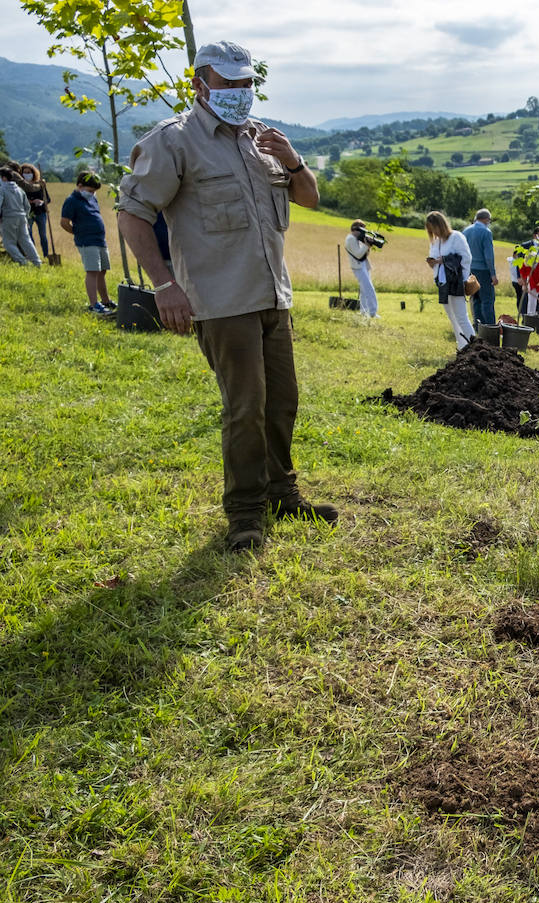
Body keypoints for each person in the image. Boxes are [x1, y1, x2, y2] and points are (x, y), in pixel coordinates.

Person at [116, 39, 338, 552]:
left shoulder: (262, 138)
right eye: (227, 83)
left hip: (271, 298)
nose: (239, 92)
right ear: (200, 84)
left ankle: (283, 493)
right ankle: (244, 513)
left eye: (246, 84)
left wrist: (295, 160)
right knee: (246, 407)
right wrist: (166, 285)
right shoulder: (174, 142)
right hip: (221, 302)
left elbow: (307, 198)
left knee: (283, 402)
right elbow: (133, 214)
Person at [59, 172, 113, 313]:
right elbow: (64, 222)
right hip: (87, 241)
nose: (92, 194)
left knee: (102, 271)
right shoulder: (72, 201)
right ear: (80, 186)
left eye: (94, 192)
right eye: (90, 191)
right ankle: (93, 304)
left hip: (99, 240)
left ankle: (106, 301)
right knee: (92, 271)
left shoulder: (92, 199)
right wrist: (78, 232)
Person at [425, 210, 475, 350]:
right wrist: (433, 263)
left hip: (456, 282)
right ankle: (462, 346)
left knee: (461, 317)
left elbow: (466, 258)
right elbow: (436, 260)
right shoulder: (436, 242)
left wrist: (445, 261)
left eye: (434, 228)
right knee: (452, 318)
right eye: (430, 230)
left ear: (440, 225)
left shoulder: (456, 237)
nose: (433, 232)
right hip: (443, 283)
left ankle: (475, 347)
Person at [462, 207, 498, 326]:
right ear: (487, 219)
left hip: (469, 269)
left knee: (475, 299)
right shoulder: (486, 232)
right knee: (487, 299)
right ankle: (490, 327)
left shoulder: (466, 231)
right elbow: (488, 256)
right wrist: (493, 274)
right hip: (483, 270)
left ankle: (477, 325)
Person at [1, 167, 42, 267]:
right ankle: (37, 262)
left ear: (4, 178)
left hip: (8, 218)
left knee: (8, 243)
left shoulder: (1, 190)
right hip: (22, 217)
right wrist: (26, 218)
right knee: (25, 240)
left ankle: (22, 262)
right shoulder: (19, 190)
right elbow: (27, 206)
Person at [344, 219, 379, 318]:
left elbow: (364, 254)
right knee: (369, 289)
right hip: (358, 266)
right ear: (355, 229)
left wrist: (368, 246)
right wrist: (366, 245)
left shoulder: (356, 239)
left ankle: (364, 311)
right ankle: (372, 313)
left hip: (362, 265)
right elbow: (359, 255)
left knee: (364, 290)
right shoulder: (350, 239)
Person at [18, 163, 53, 259]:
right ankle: (34, 255)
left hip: (41, 213)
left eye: (29, 172)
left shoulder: (40, 185)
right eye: (25, 173)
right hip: (28, 213)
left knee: (43, 235)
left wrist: (42, 201)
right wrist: (32, 201)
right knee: (28, 235)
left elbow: (48, 199)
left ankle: (46, 255)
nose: (27, 174)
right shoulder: (21, 186)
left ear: (33, 173)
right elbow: (19, 200)